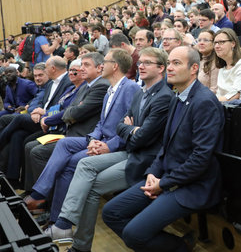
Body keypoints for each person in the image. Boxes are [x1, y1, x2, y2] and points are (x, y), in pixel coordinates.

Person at [44, 48, 173, 250]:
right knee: (85, 167)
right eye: (141, 62)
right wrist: (127, 130)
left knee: (87, 178)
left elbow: (141, 136)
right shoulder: (142, 93)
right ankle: (67, 228)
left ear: (161, 68)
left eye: (148, 63)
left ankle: (73, 237)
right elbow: (121, 125)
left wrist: (128, 130)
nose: (141, 65)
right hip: (130, 150)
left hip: (143, 159)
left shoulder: (160, 95)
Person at [102, 46, 224, 252]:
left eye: (177, 63)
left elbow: (200, 158)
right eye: (169, 63)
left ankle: (179, 247)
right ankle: (177, 246)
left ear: (194, 68)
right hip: (167, 178)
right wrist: (152, 173)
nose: (170, 68)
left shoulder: (204, 102)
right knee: (111, 212)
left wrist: (163, 183)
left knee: (133, 234)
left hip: (192, 185)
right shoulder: (178, 97)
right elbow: (165, 147)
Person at [24, 49, 139, 222]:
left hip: (112, 144)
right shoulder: (110, 89)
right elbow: (101, 122)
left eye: (103, 63)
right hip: (97, 138)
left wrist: (108, 145)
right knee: (63, 144)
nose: (81, 69)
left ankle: (57, 219)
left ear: (114, 66)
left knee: (68, 162)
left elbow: (128, 125)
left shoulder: (129, 88)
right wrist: (94, 139)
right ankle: (40, 193)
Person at [214, 28, 241, 102]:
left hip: (239, 110)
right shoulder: (223, 67)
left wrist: (210, 101)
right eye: (215, 43)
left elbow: (235, 96)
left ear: (233, 43)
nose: (217, 46)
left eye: (221, 42)